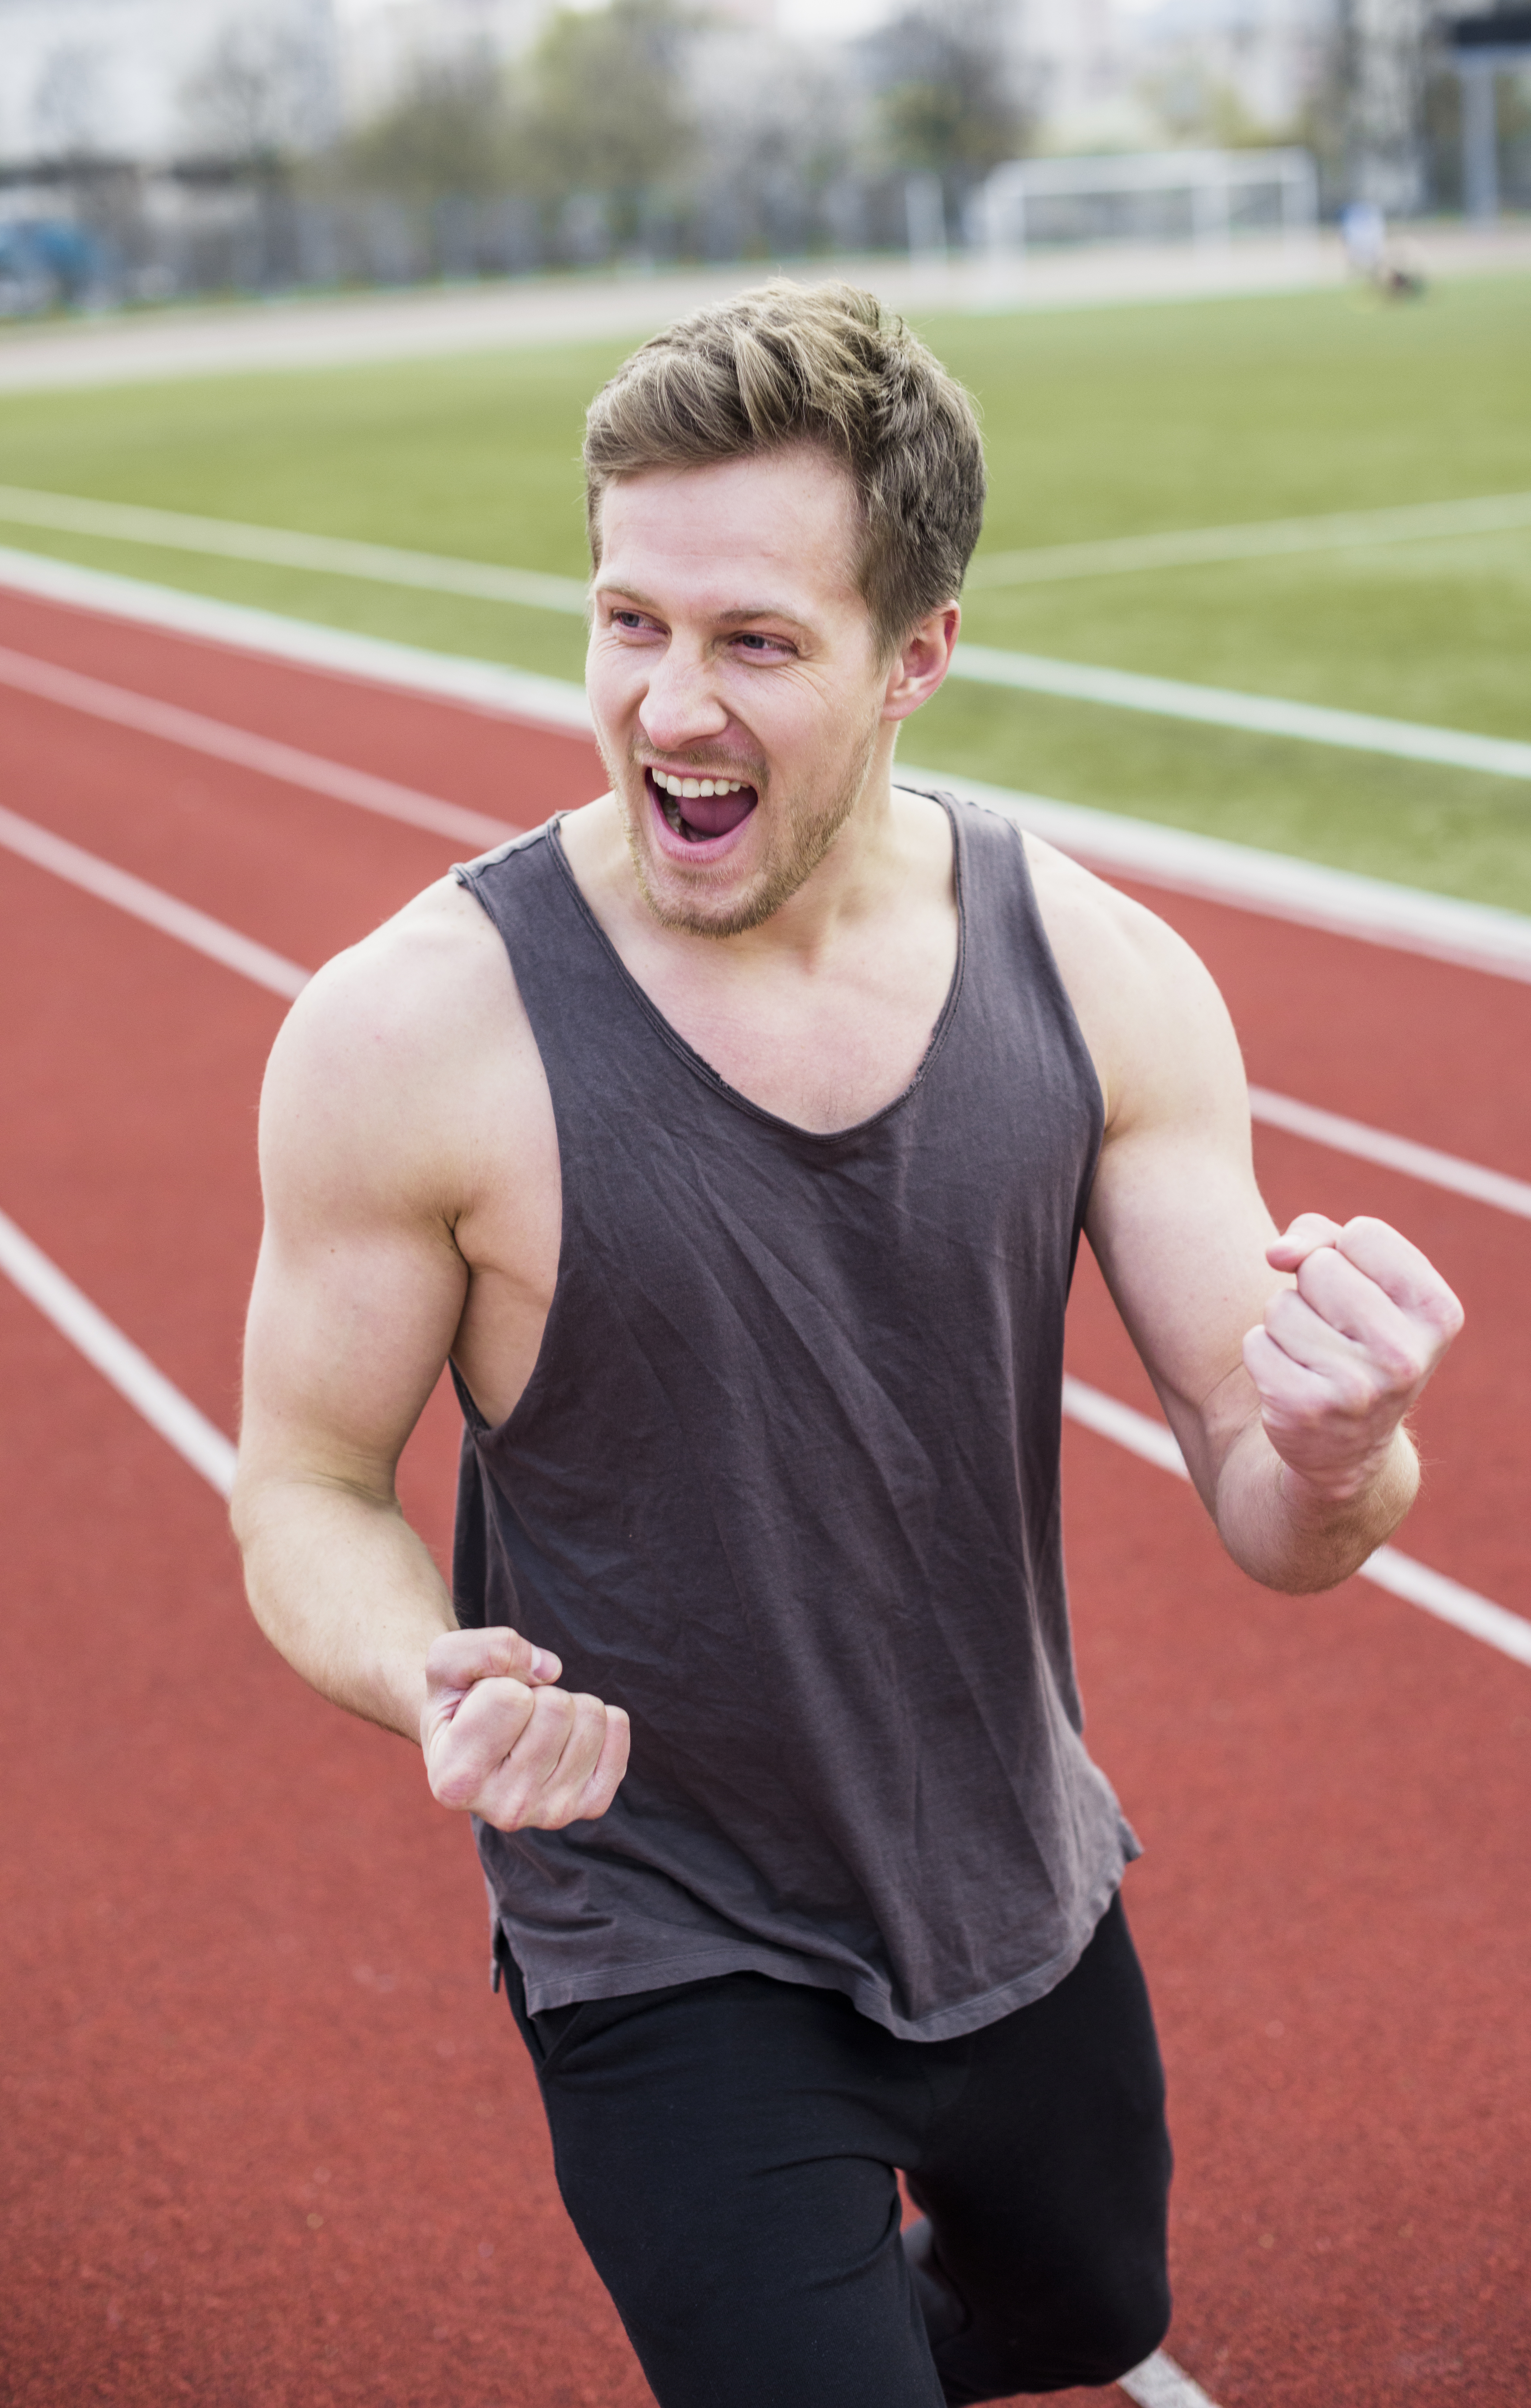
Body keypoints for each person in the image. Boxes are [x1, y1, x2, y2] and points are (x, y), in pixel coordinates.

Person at [231, 281, 1463, 2407]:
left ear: (920, 658)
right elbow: (308, 1481)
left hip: (1011, 1874)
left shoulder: (1102, 977)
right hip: (663, 1931)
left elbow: (1279, 1510)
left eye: (756, 643)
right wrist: (419, 1663)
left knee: (1096, 2315)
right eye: (630, 622)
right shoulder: (409, 1034)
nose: (666, 707)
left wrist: (1348, 1449)